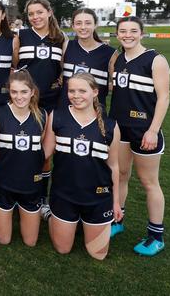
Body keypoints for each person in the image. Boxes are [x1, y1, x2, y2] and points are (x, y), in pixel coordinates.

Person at [43, 72, 122, 260]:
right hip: (64, 194)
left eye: (82, 91)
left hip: (98, 197)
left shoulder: (111, 126)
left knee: (98, 255)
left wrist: (116, 202)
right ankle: (51, 214)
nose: (76, 95)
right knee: (63, 249)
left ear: (95, 92)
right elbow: (44, 154)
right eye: (71, 91)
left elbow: (114, 166)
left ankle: (79, 220)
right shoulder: (57, 117)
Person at [109, 16, 170, 256]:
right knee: (121, 175)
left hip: (144, 129)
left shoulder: (155, 59)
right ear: (117, 34)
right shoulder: (117, 58)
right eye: (123, 31)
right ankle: (117, 220)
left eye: (133, 31)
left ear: (142, 33)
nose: (128, 35)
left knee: (149, 182)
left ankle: (156, 236)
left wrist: (153, 130)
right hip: (119, 128)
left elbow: (164, 97)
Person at [14, 0, 68, 204]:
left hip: (49, 102)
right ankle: (15, 190)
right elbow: (13, 65)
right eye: (31, 14)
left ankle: (42, 197)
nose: (35, 17)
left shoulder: (60, 38)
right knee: (19, 147)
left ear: (49, 12)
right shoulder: (21, 36)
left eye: (39, 12)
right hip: (23, 103)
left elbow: (63, 69)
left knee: (44, 153)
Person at [0, 71, 46, 246]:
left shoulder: (43, 115)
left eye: (23, 92)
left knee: (30, 242)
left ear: (32, 92)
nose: (19, 96)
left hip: (30, 183)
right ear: (9, 92)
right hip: (4, 182)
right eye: (14, 92)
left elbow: (42, 148)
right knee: (4, 240)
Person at [58, 8, 116, 110]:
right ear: (73, 26)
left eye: (88, 23)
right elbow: (60, 73)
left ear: (95, 24)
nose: (83, 27)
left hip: (95, 114)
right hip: (66, 111)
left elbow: (117, 87)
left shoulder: (110, 53)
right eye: (78, 23)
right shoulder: (66, 46)